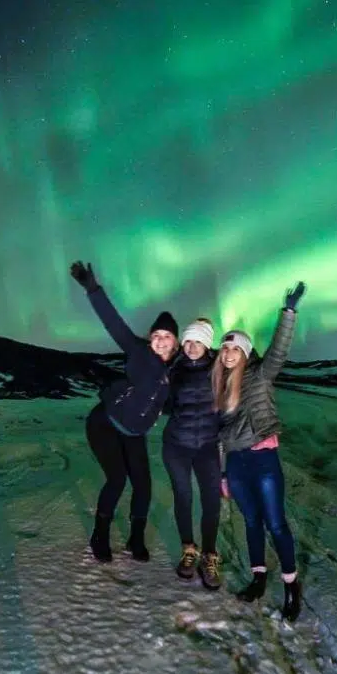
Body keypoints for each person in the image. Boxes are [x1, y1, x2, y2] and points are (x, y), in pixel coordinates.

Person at [69, 261, 180, 563]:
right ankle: (99, 535)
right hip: (105, 423)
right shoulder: (137, 351)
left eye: (166, 337)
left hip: (134, 433)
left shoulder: (173, 375)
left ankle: (135, 540)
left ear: (175, 344)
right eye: (156, 334)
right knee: (117, 479)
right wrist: (92, 288)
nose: (159, 340)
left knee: (143, 485)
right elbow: (113, 322)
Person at [214, 281, 307, 621]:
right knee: (251, 522)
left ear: (245, 352)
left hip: (263, 458)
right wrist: (223, 472)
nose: (227, 354)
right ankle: (257, 579)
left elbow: (279, 350)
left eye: (234, 349)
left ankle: (291, 585)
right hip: (236, 463)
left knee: (276, 523)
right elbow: (219, 437)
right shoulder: (220, 389)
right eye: (224, 350)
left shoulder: (261, 375)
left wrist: (289, 311)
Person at [161, 317, 223, 589]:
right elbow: (165, 406)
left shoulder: (221, 368)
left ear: (207, 344)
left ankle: (210, 554)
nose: (192, 346)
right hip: (177, 445)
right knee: (183, 497)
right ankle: (189, 549)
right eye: (188, 340)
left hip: (208, 446)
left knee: (211, 501)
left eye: (199, 341)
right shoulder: (174, 369)